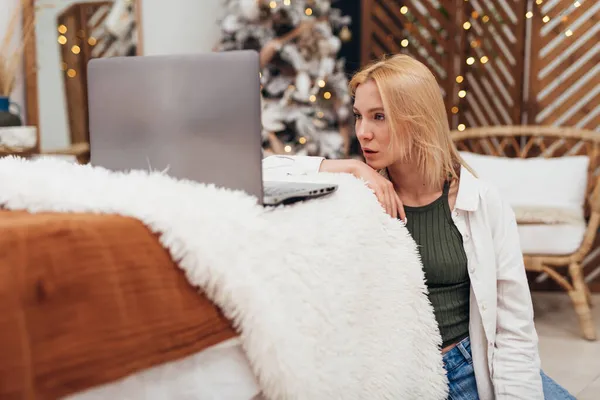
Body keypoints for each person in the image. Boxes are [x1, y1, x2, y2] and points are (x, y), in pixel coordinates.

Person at [263, 54, 575, 399]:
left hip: (473, 366)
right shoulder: (359, 195)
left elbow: (513, 328)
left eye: (379, 117)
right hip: (402, 379)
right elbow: (260, 172)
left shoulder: (481, 202)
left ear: (418, 119)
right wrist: (353, 168)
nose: (363, 132)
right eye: (358, 117)